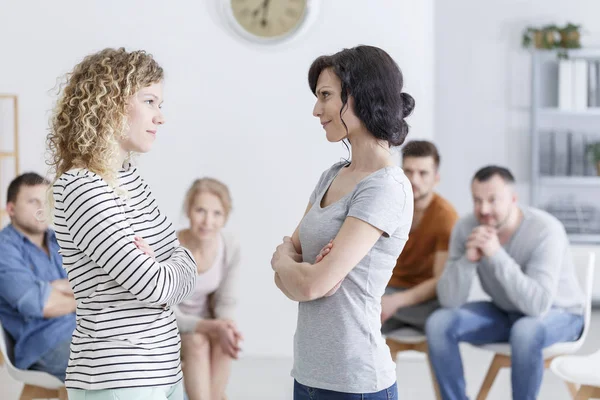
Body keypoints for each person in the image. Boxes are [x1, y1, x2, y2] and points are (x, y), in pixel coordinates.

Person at [46, 47, 197, 400]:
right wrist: (176, 264)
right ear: (109, 103)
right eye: (149, 101)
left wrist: (175, 262)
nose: (160, 117)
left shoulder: (128, 179)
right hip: (118, 377)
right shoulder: (81, 187)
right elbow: (155, 286)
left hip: (163, 368)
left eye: (160, 104)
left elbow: (182, 263)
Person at [271, 45, 415, 399]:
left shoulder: (385, 186)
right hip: (307, 374)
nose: (316, 110)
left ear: (361, 95)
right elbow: (295, 280)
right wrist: (291, 267)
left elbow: (306, 285)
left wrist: (288, 263)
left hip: (355, 382)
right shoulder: (332, 175)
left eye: (326, 96)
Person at [426, 166, 585, 400]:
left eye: (492, 200)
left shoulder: (545, 230)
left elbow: (537, 306)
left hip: (560, 313)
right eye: (477, 200)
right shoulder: (466, 227)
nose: (484, 209)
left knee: (525, 330)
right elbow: (450, 301)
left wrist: (496, 254)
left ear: (513, 199)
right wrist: (467, 261)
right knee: (439, 323)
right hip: (506, 311)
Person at [0, 172, 75, 382]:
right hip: (44, 343)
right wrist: (84, 296)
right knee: (119, 361)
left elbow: (93, 280)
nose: (42, 209)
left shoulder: (58, 240)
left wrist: (53, 288)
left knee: (160, 344)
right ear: (11, 209)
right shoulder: (4, 249)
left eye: (46, 201)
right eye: (33, 202)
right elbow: (41, 304)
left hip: (83, 328)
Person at [174, 178, 242, 400]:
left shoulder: (229, 246)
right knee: (197, 342)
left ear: (225, 217)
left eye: (217, 214)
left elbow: (226, 301)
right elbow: (165, 311)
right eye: (200, 211)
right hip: (172, 327)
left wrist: (226, 325)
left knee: (226, 340)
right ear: (188, 210)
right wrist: (210, 327)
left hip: (209, 322)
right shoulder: (171, 246)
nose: (207, 221)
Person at [381, 140, 458, 332]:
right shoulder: (388, 205)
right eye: (408, 171)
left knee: (444, 315)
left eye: (423, 173)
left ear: (436, 178)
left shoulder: (446, 217)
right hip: (387, 290)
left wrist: (394, 302)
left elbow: (439, 280)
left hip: (424, 299)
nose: (414, 180)